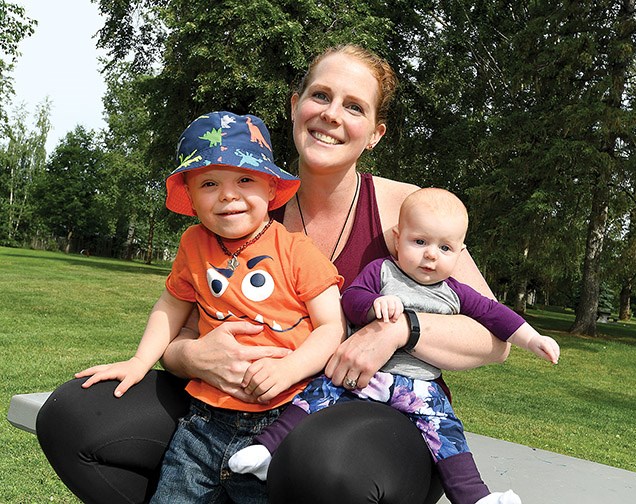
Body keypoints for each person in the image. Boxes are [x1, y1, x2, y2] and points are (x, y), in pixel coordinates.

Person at [36, 45, 544, 504]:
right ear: (295, 104)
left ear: (375, 133)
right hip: (237, 403)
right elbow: (183, 320)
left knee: (321, 462)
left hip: (379, 415)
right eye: (320, 96)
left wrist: (400, 328)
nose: (331, 115)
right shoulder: (243, 199)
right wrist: (190, 355)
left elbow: (492, 336)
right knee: (76, 417)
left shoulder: (407, 212)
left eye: (354, 106)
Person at [74, 111, 345, 501]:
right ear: (191, 194)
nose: (228, 195)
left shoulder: (297, 251)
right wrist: (139, 362)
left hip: (280, 424)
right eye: (210, 183)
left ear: (271, 188)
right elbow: (170, 305)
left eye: (245, 179)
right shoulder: (193, 244)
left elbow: (331, 328)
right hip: (202, 422)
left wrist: (289, 368)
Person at [229, 188, 559, 504]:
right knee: (314, 397)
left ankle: (476, 496)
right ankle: (267, 450)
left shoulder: (456, 292)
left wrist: (532, 338)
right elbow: (352, 299)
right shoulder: (383, 271)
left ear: (459, 253)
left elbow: (494, 314)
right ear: (397, 239)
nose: (431, 254)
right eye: (420, 242)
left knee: (447, 435)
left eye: (445, 248)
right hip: (364, 377)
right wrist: (374, 305)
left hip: (420, 388)